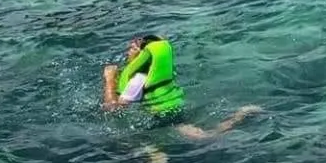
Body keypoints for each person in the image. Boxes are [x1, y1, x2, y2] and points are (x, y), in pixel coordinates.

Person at [102, 35, 261, 142]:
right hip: (175, 109)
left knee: (206, 138)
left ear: (143, 55)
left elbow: (113, 109)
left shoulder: (137, 79)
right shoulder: (154, 72)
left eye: (132, 49)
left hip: (165, 118)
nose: (128, 53)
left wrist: (109, 80)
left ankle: (241, 115)